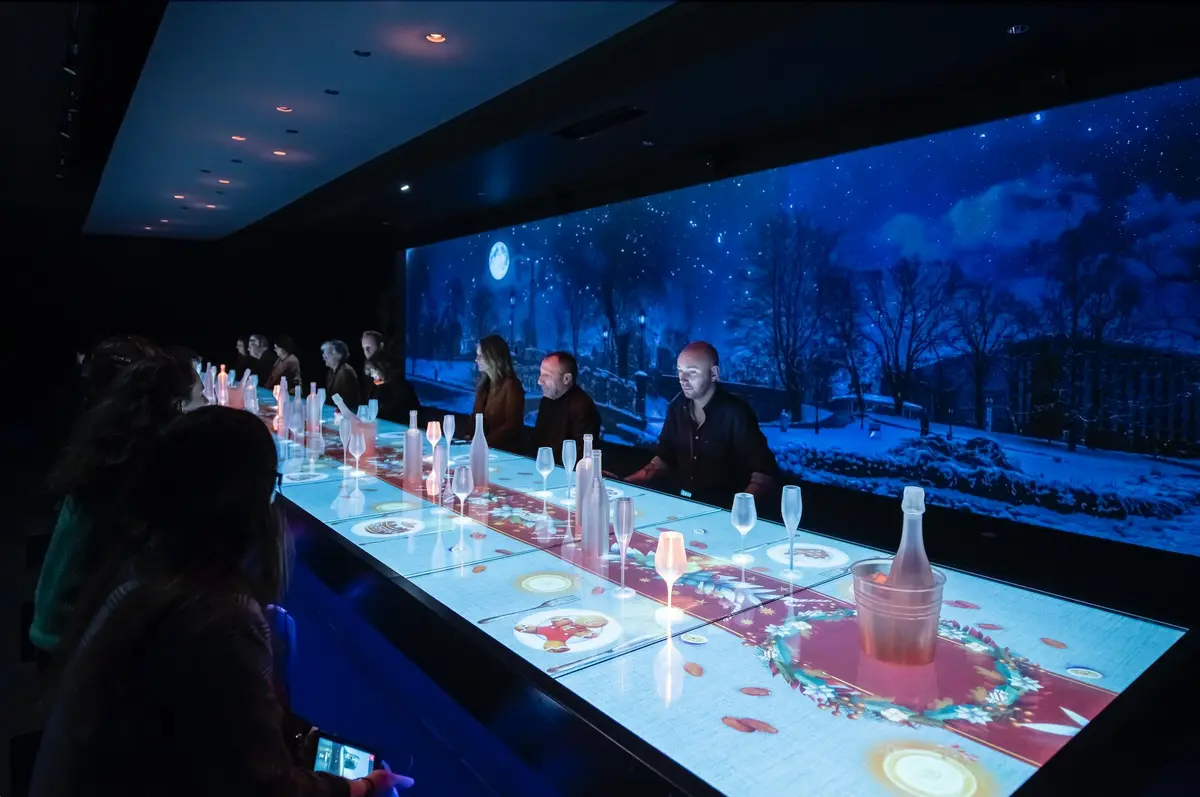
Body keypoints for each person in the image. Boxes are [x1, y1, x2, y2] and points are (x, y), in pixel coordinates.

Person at [31, 407, 413, 797]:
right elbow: (266, 790)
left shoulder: (140, 577)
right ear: (250, 501)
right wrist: (362, 788)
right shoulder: (217, 619)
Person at [30, 354, 205, 657]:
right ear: (178, 407)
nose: (207, 404)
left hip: (55, 623)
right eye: (201, 396)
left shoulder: (113, 455)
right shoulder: (138, 476)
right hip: (76, 637)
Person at [625, 341, 778, 508]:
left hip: (723, 513)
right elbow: (662, 460)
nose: (682, 379)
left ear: (714, 373)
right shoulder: (676, 408)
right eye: (680, 371)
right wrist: (624, 483)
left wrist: (739, 512)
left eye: (692, 372)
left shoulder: (736, 413)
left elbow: (764, 474)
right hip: (680, 506)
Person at [530, 351, 601, 465]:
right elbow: (537, 443)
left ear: (567, 379)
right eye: (540, 374)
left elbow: (580, 459)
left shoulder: (583, 408)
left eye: (546, 375)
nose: (539, 381)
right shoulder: (547, 399)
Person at [470, 334, 525, 451]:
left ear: (493, 357)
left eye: (481, 355)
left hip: (504, 452)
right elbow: (475, 418)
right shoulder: (484, 385)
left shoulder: (512, 385)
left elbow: (512, 425)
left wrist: (485, 443)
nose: (476, 359)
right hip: (483, 449)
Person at [364, 354, 420, 422]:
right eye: (370, 372)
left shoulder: (401, 388)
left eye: (373, 371)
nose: (372, 375)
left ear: (383, 368)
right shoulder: (377, 387)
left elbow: (388, 413)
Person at [322, 339, 361, 408]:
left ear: (339, 355)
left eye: (327, 352)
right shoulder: (331, 371)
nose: (324, 356)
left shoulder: (346, 372)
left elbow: (347, 401)